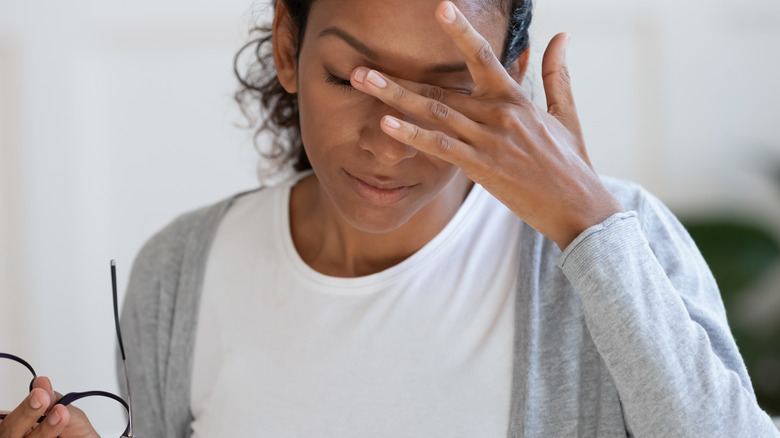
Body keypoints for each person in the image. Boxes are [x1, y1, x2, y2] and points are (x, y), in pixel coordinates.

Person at [1, 0, 778, 436]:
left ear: (508, 77)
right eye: (352, 78)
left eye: (444, 91)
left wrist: (589, 230)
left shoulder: (612, 242)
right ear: (286, 46)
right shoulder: (178, 271)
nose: (390, 139)